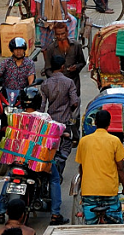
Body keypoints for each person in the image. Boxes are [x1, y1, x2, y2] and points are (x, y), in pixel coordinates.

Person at [0, 38, 36, 163]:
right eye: (16, 49)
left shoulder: (29, 63)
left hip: (20, 98)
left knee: (25, 124)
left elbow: (31, 79)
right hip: (6, 96)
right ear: (12, 50)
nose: (19, 52)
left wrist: (32, 88)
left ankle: (24, 151)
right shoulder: (6, 63)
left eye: (21, 49)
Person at [39, 55, 79, 225]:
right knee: (62, 153)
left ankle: (44, 187)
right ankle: (57, 175)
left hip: (50, 124)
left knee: (48, 153)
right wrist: (69, 109)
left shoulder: (45, 84)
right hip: (64, 125)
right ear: (62, 66)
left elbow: (41, 106)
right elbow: (75, 101)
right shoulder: (69, 82)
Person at [75, 109, 124, 225]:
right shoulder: (114, 141)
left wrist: (82, 188)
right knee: (115, 226)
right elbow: (120, 168)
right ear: (109, 123)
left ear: (95, 123)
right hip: (109, 190)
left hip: (89, 191)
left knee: (90, 227)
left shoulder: (84, 141)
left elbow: (81, 167)